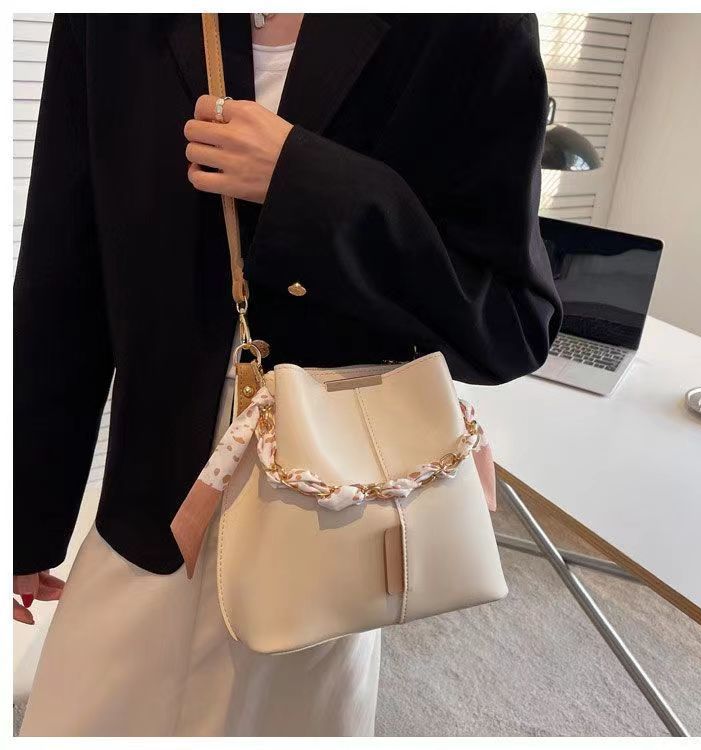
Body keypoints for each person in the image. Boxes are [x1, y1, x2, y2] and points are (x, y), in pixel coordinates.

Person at [13, 12, 561, 737]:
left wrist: (308, 183)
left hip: (330, 520)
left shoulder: (470, 26)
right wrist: (26, 515)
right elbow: (64, 272)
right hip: (154, 504)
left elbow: (512, 323)